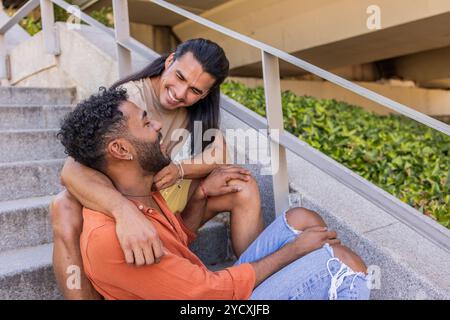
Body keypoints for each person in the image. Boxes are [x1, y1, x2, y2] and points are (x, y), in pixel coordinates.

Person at [57, 86, 371, 300]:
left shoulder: (137, 192)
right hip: (207, 297)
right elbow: (208, 292)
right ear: (121, 149)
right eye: (145, 121)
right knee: (344, 264)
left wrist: (201, 193)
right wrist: (295, 251)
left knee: (301, 218)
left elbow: (175, 245)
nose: (157, 125)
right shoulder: (112, 237)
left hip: (202, 288)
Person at [50, 39, 265, 299]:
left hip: (163, 194)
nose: (181, 93)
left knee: (240, 184)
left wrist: (180, 170)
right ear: (169, 61)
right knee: (64, 204)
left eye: (195, 90)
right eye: (179, 76)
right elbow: (71, 170)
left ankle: (258, 281)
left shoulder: (196, 108)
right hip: (131, 197)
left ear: (206, 93)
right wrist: (124, 212)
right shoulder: (131, 98)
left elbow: (220, 153)